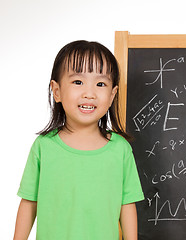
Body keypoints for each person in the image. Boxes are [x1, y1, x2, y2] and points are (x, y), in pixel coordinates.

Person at [13, 40, 144, 240]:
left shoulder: (120, 150)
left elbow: (127, 205)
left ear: (112, 95)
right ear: (56, 91)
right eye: (78, 82)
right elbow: (30, 202)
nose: (89, 93)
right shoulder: (44, 146)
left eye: (100, 84)